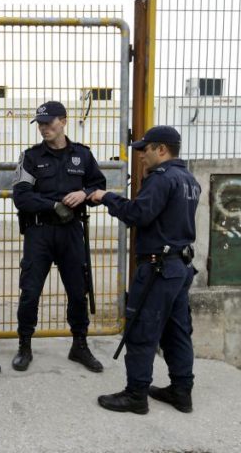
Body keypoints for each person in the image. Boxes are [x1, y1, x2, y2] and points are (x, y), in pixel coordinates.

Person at [93, 126, 200, 414]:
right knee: (177, 332)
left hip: (158, 268)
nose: (141, 156)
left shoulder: (162, 179)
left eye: (146, 149)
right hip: (179, 267)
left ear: (162, 150)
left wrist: (106, 197)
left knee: (143, 330)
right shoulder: (189, 179)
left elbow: (137, 214)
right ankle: (181, 391)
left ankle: (136, 395)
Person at [11, 101, 106, 372]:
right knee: (30, 292)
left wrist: (84, 193)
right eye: (40, 124)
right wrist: (53, 205)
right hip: (39, 232)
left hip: (71, 232)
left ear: (63, 121)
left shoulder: (83, 156)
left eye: (49, 123)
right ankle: (24, 345)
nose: (44, 128)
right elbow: (21, 196)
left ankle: (80, 345)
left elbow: (99, 185)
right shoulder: (31, 157)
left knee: (78, 291)